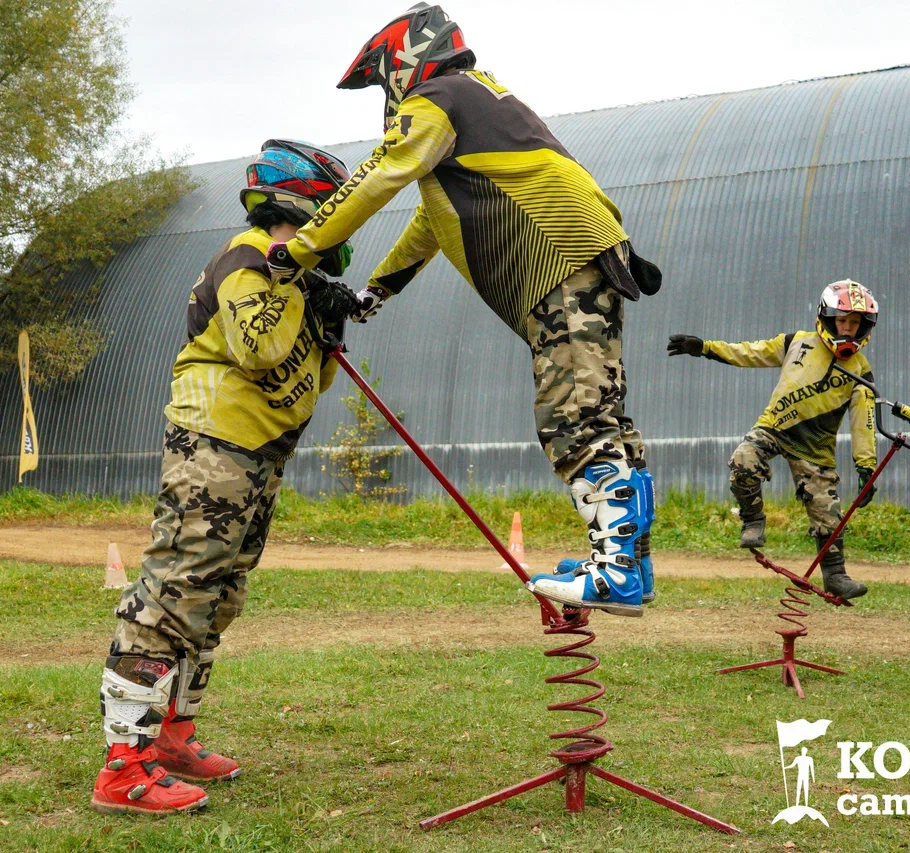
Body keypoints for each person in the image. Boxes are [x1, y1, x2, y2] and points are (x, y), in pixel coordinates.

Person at [264, 3, 662, 616]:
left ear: (401, 62)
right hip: (585, 259)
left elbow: (380, 174)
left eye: (381, 79)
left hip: (558, 262)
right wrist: (379, 289)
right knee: (601, 413)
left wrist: (301, 247)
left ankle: (616, 571)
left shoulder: (439, 98)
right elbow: (431, 220)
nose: (386, 95)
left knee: (573, 419)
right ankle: (627, 559)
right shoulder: (480, 105)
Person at [91, 140, 360, 815]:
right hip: (215, 440)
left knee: (220, 593)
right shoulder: (249, 259)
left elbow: (308, 376)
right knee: (175, 589)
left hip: (259, 449)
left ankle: (174, 732)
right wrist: (300, 289)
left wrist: (326, 325)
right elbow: (260, 350)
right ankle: (124, 763)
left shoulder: (288, 280)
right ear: (306, 203)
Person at [667, 279, 879, 600]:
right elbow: (750, 352)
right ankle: (753, 522)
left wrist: (867, 467)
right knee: (743, 460)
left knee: (827, 513)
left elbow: (863, 422)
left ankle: (835, 575)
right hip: (774, 428)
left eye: (854, 323)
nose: (848, 329)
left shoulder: (860, 370)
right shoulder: (796, 342)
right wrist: (706, 348)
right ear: (826, 317)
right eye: (842, 321)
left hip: (815, 448)